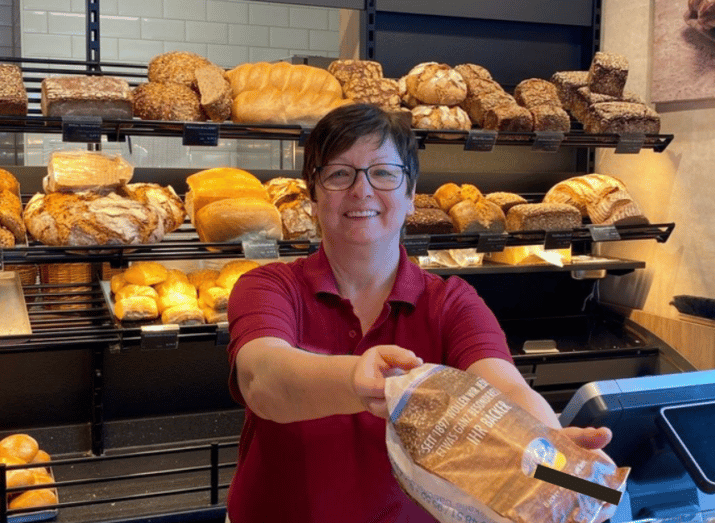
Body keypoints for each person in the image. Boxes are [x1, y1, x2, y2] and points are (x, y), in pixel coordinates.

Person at [225, 103, 613, 523]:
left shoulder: (450, 302)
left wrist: (550, 445)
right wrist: (356, 379)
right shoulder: (268, 287)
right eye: (339, 173)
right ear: (313, 197)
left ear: (411, 196)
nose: (362, 190)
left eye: (384, 173)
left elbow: (505, 387)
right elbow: (262, 379)